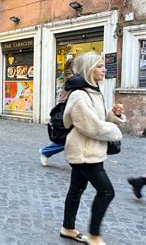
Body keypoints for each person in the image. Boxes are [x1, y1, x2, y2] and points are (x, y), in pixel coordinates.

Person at [60, 52, 125, 245]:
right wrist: (116, 131)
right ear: (88, 69)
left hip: (88, 150)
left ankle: (68, 228)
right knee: (107, 192)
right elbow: (92, 127)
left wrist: (113, 115)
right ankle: (95, 236)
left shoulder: (93, 91)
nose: (104, 69)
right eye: (99, 65)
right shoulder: (80, 95)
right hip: (84, 152)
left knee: (76, 189)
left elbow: (98, 119)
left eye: (103, 65)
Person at [40, 59, 74, 166]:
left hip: (73, 110)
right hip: (67, 110)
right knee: (67, 139)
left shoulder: (74, 77)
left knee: (73, 139)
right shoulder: (72, 79)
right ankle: (46, 151)